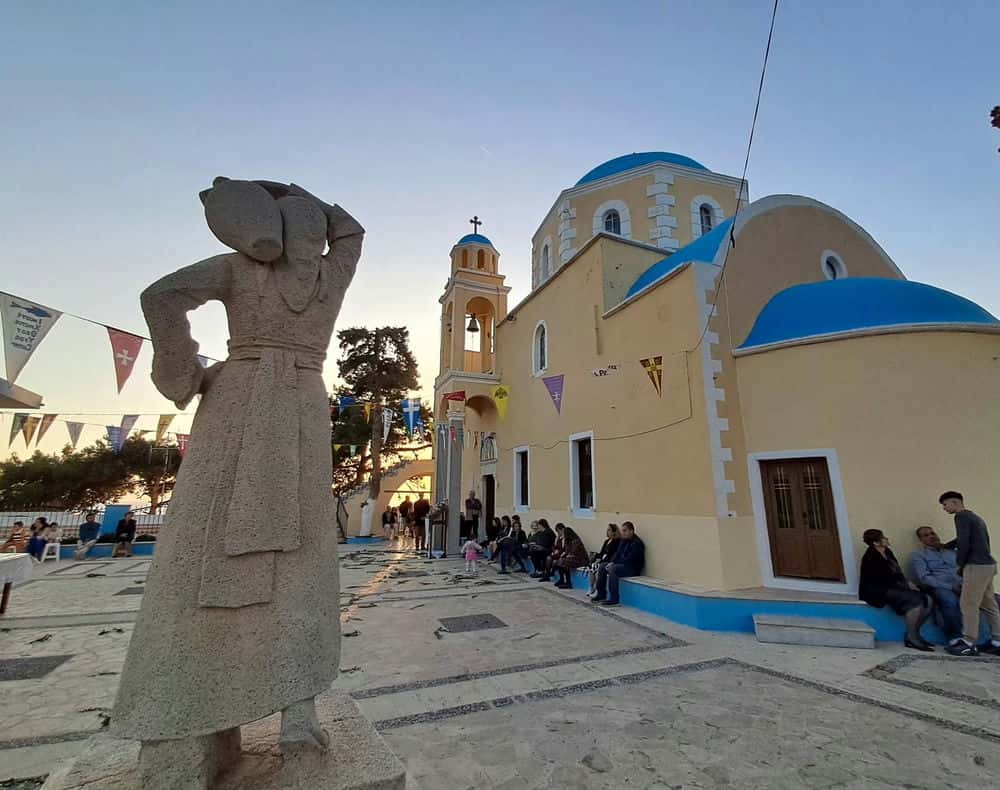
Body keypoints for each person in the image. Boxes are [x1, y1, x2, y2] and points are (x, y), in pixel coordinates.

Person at [938, 491, 1000, 656]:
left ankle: (969, 642)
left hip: (976, 565)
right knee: (989, 604)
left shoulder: (961, 516)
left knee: (968, 604)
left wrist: (961, 564)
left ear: (955, 502)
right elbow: (964, 539)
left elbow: (964, 542)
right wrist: (946, 546)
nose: (944, 508)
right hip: (988, 564)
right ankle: (997, 641)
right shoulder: (975, 517)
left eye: (945, 505)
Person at [859, 529, 934, 650]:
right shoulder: (871, 557)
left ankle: (914, 634)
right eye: (883, 537)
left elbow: (897, 572)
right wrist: (905, 586)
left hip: (895, 587)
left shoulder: (887, 552)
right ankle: (912, 638)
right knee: (916, 601)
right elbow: (882, 580)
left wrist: (908, 583)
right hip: (877, 590)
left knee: (928, 600)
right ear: (876, 543)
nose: (886, 539)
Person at [911, 526, 963, 641]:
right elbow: (924, 578)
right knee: (950, 600)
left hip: (963, 585)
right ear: (921, 540)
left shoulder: (953, 552)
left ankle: (996, 639)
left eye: (932, 533)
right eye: (926, 535)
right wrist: (950, 587)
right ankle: (956, 638)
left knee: (995, 600)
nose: (931, 536)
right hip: (940, 587)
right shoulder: (919, 555)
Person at [592, 522, 645, 606]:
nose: (623, 533)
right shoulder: (623, 541)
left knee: (613, 569)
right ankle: (601, 593)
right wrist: (611, 562)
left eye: (625, 531)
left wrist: (614, 564)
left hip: (632, 568)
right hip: (622, 565)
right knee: (602, 566)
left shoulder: (637, 543)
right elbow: (617, 553)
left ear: (631, 531)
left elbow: (630, 559)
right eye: (622, 531)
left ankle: (614, 598)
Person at [588, 524, 621, 598]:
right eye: (607, 530)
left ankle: (598, 590)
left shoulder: (617, 541)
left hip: (608, 561)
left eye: (609, 530)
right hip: (602, 560)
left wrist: (602, 560)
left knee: (598, 568)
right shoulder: (606, 541)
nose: (607, 531)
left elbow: (613, 554)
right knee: (592, 566)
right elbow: (601, 552)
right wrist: (597, 558)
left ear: (614, 532)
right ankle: (591, 587)